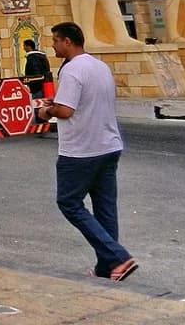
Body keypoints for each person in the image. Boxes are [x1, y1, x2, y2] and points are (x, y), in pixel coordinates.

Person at [39, 21, 137, 282]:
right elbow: (87, 101)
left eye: (55, 40)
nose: (53, 45)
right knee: (105, 209)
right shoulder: (100, 66)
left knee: (69, 203)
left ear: (67, 42)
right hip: (109, 145)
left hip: (81, 150)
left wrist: (46, 110)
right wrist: (58, 103)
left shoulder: (71, 70)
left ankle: (118, 256)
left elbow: (66, 111)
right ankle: (107, 269)